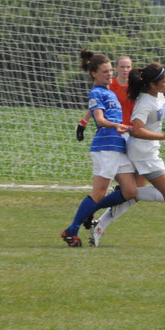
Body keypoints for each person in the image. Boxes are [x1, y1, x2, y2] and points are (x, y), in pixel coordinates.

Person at [90, 62, 165, 247]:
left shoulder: (156, 91)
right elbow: (136, 130)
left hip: (147, 150)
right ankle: (115, 195)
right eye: (164, 81)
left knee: (132, 196)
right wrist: (162, 136)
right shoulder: (145, 103)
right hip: (143, 153)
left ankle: (100, 225)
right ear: (153, 85)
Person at [61, 50, 139, 247]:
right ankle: (71, 231)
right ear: (94, 73)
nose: (110, 74)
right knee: (98, 194)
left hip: (117, 147)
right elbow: (100, 120)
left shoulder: (109, 92)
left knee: (130, 191)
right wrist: (117, 126)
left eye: (111, 70)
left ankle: (89, 211)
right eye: (105, 71)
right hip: (105, 147)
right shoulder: (96, 92)